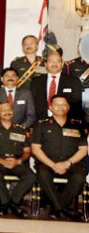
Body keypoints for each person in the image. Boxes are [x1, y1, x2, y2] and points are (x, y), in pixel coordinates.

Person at [31, 94, 88, 222]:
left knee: (80, 176)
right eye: (57, 105)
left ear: (68, 107)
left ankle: (57, 207)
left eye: (64, 105)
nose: (60, 107)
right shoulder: (41, 124)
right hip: (47, 162)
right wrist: (53, 165)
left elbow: (83, 150)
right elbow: (35, 148)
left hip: (71, 162)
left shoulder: (77, 124)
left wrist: (67, 163)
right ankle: (62, 208)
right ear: (50, 107)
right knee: (43, 173)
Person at [0, 101, 34, 219]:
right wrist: (1, 161)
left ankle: (10, 203)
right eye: (3, 110)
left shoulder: (21, 129)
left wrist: (18, 161)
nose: (7, 112)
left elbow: (27, 151)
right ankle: (11, 204)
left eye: (9, 109)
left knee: (31, 176)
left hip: (16, 162)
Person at [30, 52, 83, 121]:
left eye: (57, 61)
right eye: (51, 61)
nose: (54, 64)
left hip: (66, 122)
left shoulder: (73, 81)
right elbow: (32, 105)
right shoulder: (35, 82)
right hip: (40, 122)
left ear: (62, 64)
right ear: (45, 64)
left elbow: (77, 105)